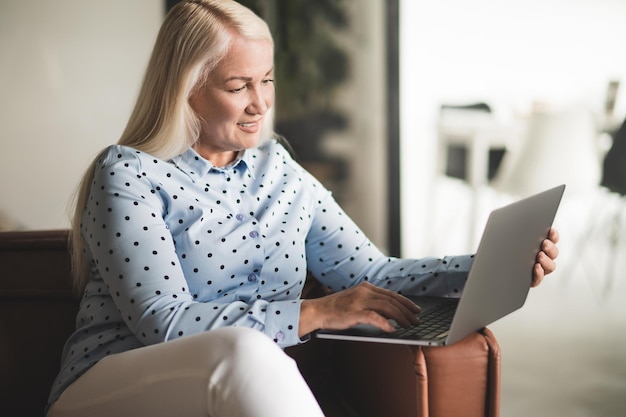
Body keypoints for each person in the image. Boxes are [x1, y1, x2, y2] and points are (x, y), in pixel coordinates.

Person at [46, 1, 560, 416]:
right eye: (237, 85)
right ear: (187, 89)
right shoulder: (129, 173)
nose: (261, 103)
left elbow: (372, 273)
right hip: (113, 381)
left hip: (234, 389)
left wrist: (488, 266)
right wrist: (318, 312)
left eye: (266, 79)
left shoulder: (280, 171)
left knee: (251, 353)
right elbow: (166, 322)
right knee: (246, 350)